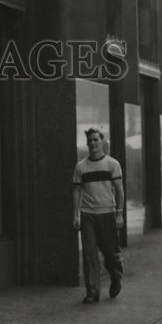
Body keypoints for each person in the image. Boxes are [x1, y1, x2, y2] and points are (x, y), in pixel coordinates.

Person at [71, 127, 124, 303]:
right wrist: (76, 215)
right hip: (88, 216)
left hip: (108, 214)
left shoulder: (112, 164)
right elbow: (77, 192)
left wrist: (119, 214)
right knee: (89, 253)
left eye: (96, 140)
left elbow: (119, 191)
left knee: (110, 254)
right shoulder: (81, 167)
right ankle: (92, 291)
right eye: (90, 140)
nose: (92, 143)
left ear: (102, 142)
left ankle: (116, 276)